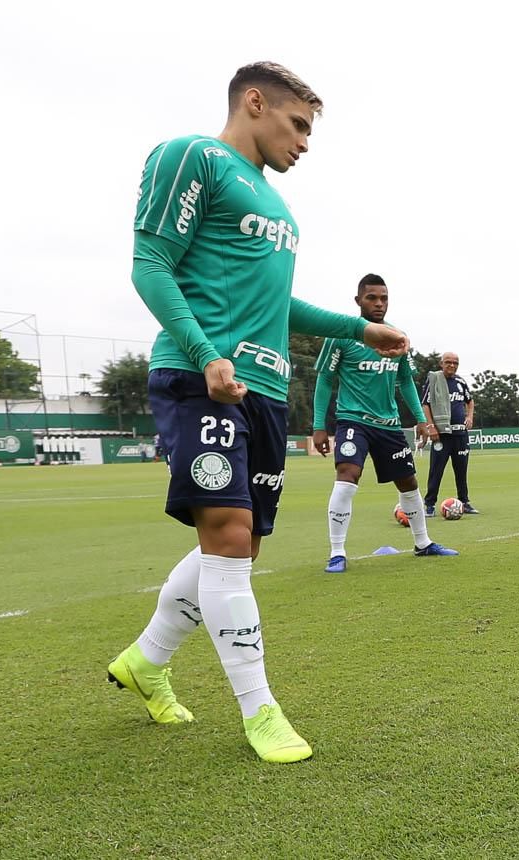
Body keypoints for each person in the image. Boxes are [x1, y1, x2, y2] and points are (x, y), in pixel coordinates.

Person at [109, 62, 409, 763]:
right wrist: (205, 351)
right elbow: (150, 262)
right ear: (254, 103)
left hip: (266, 393)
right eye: (297, 124)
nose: (304, 141)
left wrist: (357, 329)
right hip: (199, 377)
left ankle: (147, 660)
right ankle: (260, 709)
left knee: (239, 545)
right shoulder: (193, 156)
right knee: (230, 533)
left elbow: (280, 306)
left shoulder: (278, 208)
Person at [311, 274, 458, 573]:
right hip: (353, 419)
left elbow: (405, 380)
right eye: (372, 298)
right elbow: (325, 378)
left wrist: (419, 419)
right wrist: (318, 425)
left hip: (389, 424)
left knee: (408, 482)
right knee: (347, 474)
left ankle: (423, 543)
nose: (379, 303)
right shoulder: (342, 335)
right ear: (358, 301)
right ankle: (337, 552)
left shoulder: (397, 336)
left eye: (384, 298)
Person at [422, 352, 479, 515]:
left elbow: (470, 400)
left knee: (461, 470)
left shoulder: (460, 382)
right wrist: (431, 426)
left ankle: (464, 502)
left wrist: (469, 416)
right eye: (448, 362)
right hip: (442, 434)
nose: (452, 365)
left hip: (460, 434)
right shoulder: (434, 381)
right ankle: (430, 505)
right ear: (441, 363)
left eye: (455, 363)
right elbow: (425, 404)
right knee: (436, 469)